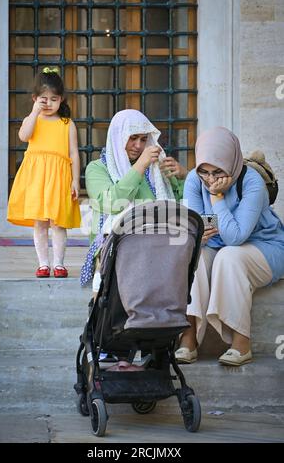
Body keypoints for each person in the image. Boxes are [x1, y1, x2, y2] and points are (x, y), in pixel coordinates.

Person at [175, 126, 284, 366]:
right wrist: (208, 228)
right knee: (196, 258)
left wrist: (217, 199)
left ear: (231, 163)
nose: (210, 179)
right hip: (217, 244)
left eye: (218, 172)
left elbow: (236, 237)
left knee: (230, 256)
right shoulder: (194, 179)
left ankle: (241, 343)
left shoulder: (252, 183)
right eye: (204, 171)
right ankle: (189, 338)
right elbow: (196, 227)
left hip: (265, 246)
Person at [80, 108, 186, 294]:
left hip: (157, 239)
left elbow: (178, 205)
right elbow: (111, 203)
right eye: (133, 138)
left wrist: (184, 177)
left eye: (144, 139)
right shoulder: (96, 169)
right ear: (118, 136)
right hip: (116, 244)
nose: (138, 145)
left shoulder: (155, 170)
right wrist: (139, 166)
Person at [7, 67, 81, 278]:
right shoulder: (34, 120)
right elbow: (23, 135)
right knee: (40, 223)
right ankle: (43, 264)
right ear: (34, 98)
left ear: (61, 100)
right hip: (37, 178)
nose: (48, 103)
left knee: (58, 222)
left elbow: (74, 154)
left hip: (59, 178)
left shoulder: (67, 124)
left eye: (54, 99)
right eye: (43, 99)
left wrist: (75, 180)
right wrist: (34, 112)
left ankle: (59, 263)